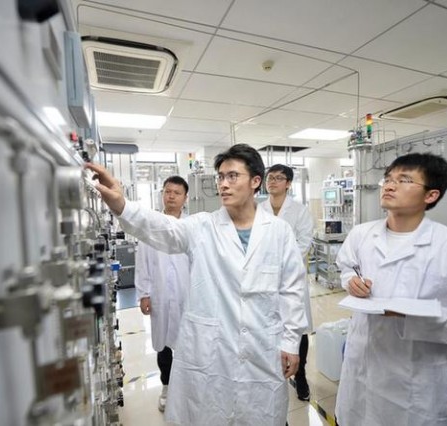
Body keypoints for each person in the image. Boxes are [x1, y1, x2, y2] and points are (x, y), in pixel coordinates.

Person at [86, 144, 307, 426]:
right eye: (221, 177)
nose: (223, 184)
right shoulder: (203, 226)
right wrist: (122, 205)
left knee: (259, 414)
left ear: (255, 181)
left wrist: (291, 342)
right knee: (210, 412)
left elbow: (292, 289)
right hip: (212, 350)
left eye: (232, 176)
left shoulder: (279, 232)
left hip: (262, 348)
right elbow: (161, 228)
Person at [334, 152, 447, 426]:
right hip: (361, 375)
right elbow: (346, 267)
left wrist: (412, 316)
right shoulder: (361, 235)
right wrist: (350, 281)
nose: (389, 185)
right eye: (388, 179)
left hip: (417, 388)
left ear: (431, 195)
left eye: (404, 180)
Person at [135, 176, 190, 413]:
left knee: (189, 344)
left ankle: (188, 388)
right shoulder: (151, 226)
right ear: (162, 195)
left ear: (185, 198)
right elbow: (142, 263)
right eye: (168, 192)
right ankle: (167, 388)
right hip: (160, 294)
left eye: (177, 193)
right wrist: (144, 294)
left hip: (188, 296)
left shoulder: (191, 227)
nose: (171, 196)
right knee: (163, 345)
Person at [259, 164, 314, 401]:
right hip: (262, 278)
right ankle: (271, 372)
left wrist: (278, 263)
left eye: (278, 178)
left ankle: (300, 376)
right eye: (270, 177)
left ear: (288, 183)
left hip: (291, 278)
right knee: (267, 324)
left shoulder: (300, 211)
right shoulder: (258, 209)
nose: (272, 181)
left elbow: (304, 243)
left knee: (297, 327)